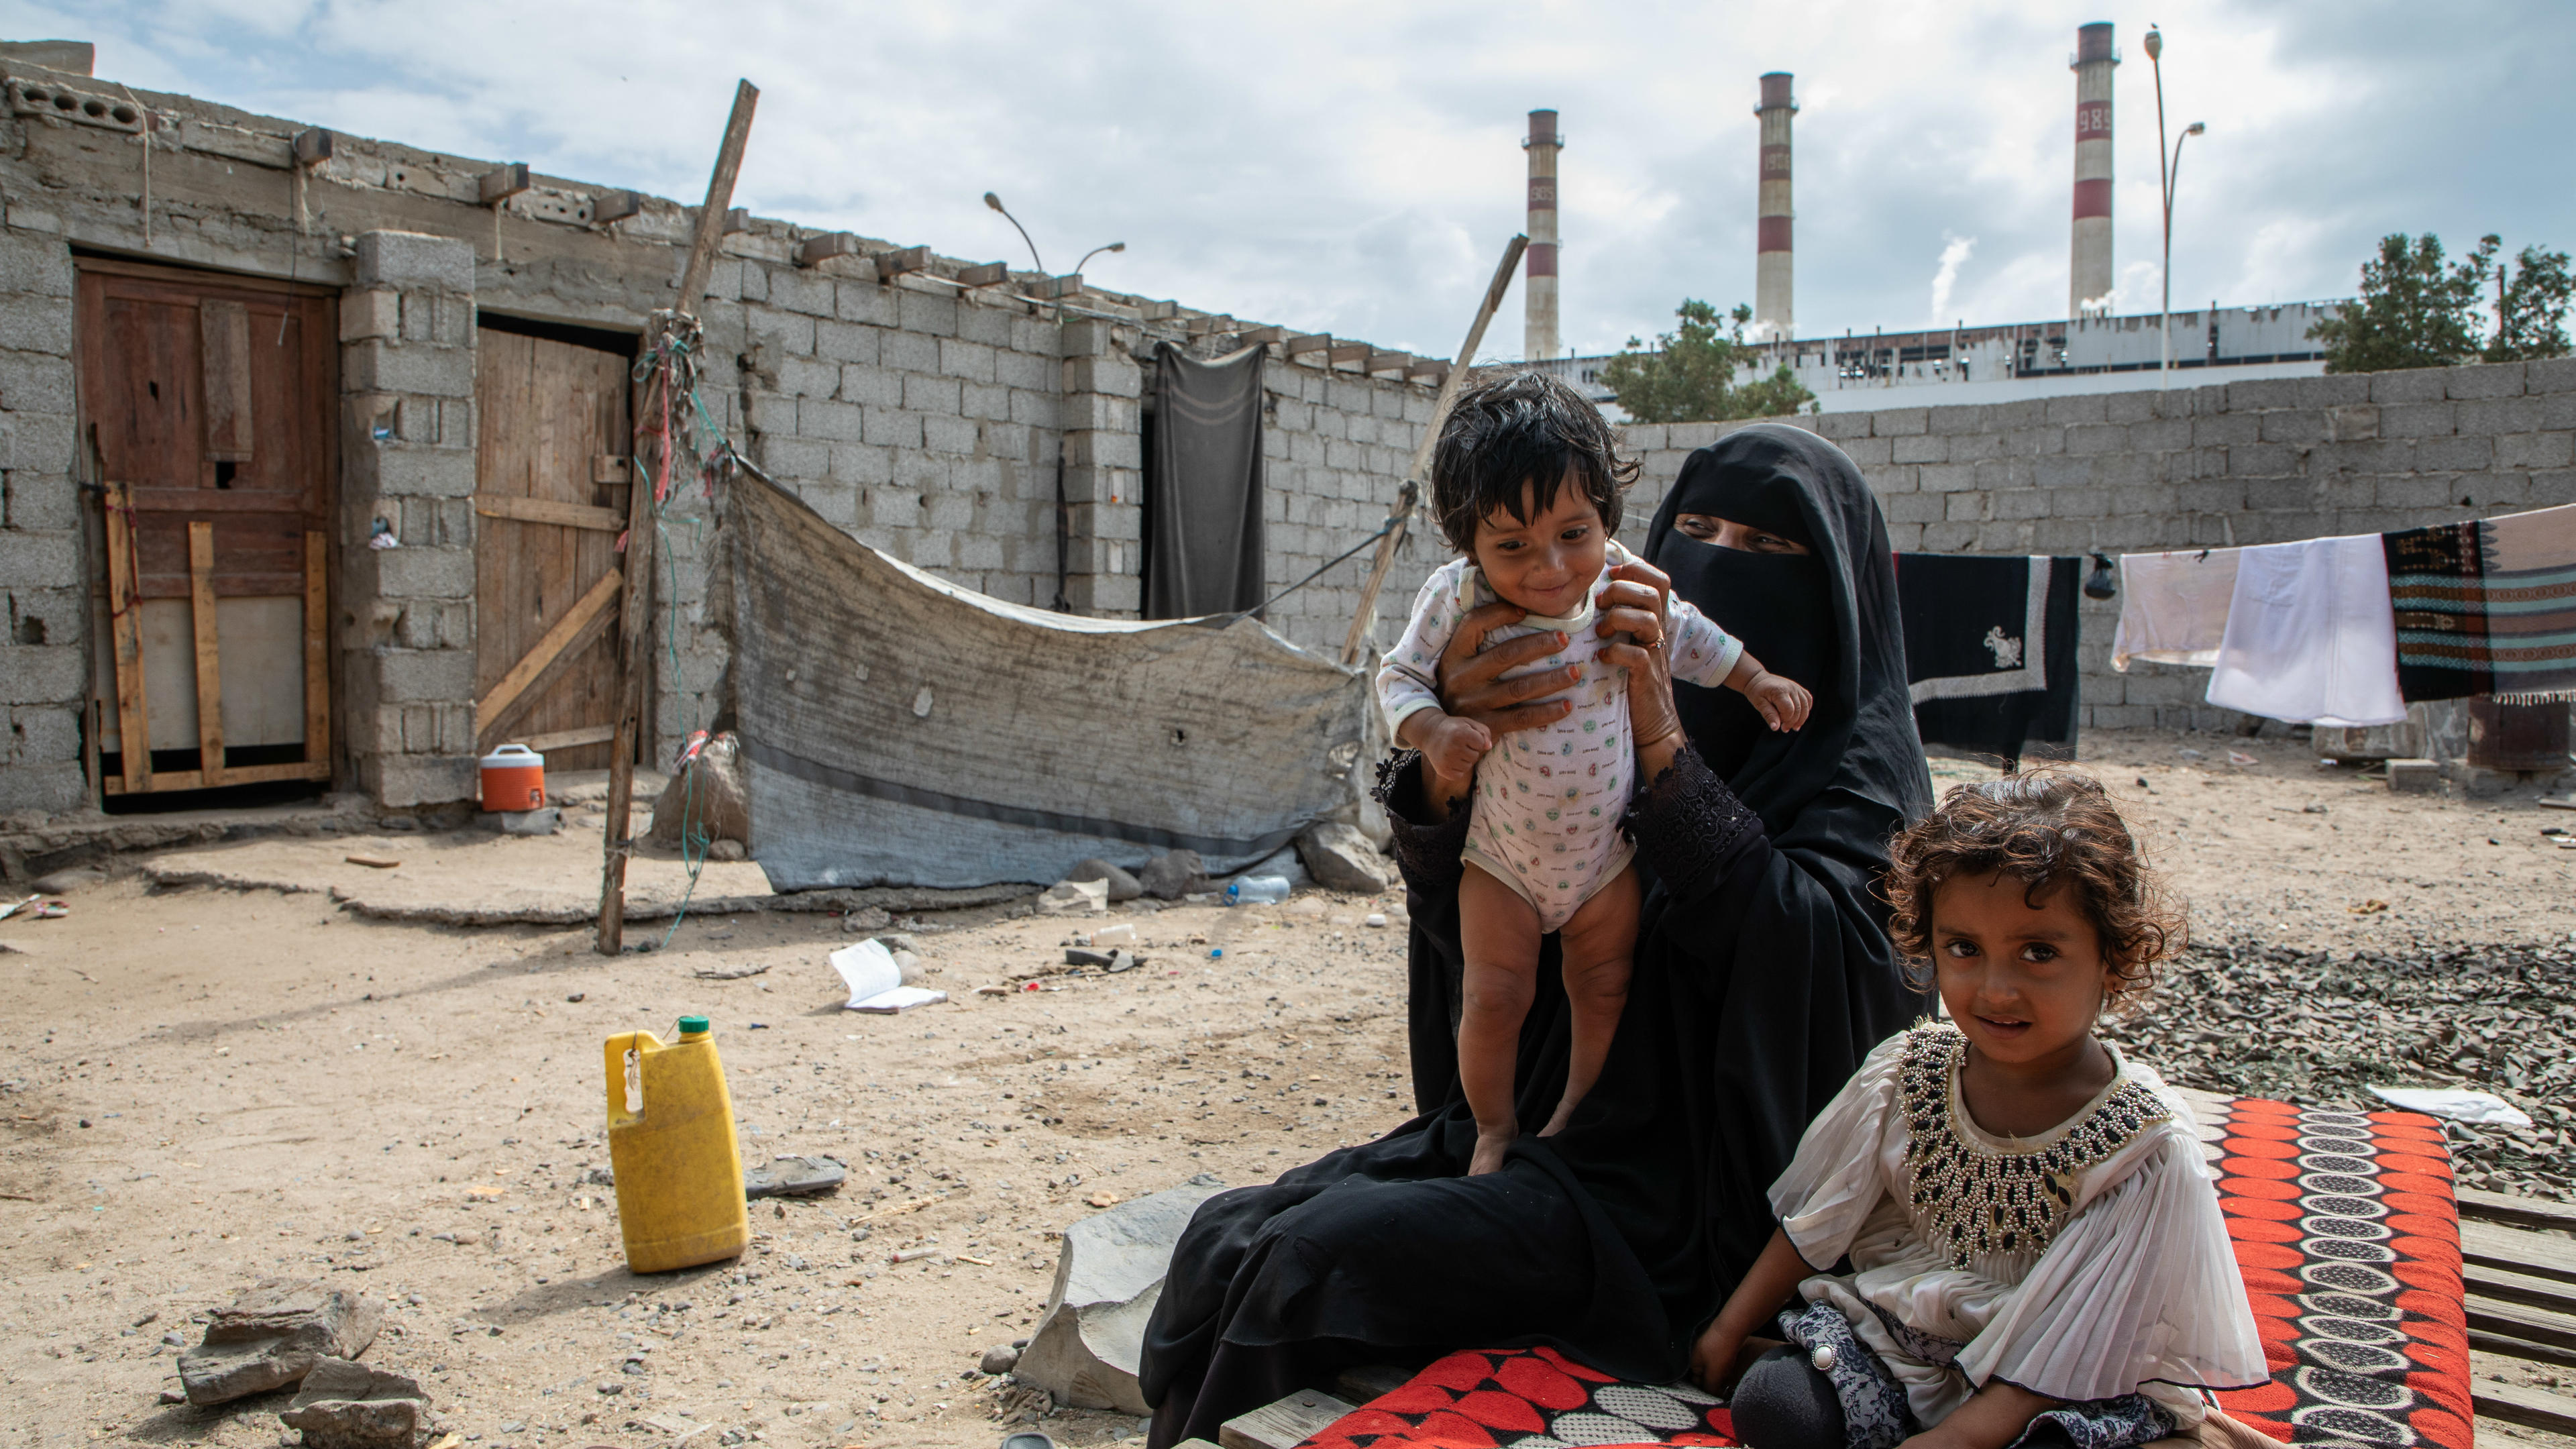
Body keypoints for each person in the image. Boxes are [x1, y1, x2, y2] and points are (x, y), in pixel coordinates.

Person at [1139, 421, 1933, 1449]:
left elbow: (1828, 990)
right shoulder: (1566, 682)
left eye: (1767, 549)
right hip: (1537, 1130)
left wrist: (1666, 749)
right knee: (1224, 1235)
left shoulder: (1859, 779)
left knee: (1314, 1262)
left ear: (1837, 586)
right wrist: (1447, 764)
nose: (1720, 560)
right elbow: (1469, 931)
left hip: (1687, 1207)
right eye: (1696, 529)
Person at [1703, 771, 2265, 1449]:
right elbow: (1816, 1225)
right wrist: (1729, 1328)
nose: (1997, 990)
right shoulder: (1907, 1076)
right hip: (1909, 1345)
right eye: (1964, 950)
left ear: (2114, 961)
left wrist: (1960, 1440)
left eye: (2039, 953)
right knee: (1775, 1406)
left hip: (2063, 1379)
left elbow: (2076, 1335)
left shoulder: (2142, 1149)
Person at [1380, 374, 1813, 1175]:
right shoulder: (1454, 598)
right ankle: (1493, 1128)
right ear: (1467, 542)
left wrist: (1756, 681)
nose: (1548, 568)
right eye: (1512, 546)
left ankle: (1577, 1111)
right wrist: (1436, 726)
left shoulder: (1623, 582)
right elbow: (1396, 679)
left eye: (1573, 534)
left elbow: (1698, 639)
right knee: (1493, 997)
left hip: (1606, 860)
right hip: (1502, 859)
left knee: (1604, 985)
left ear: (1607, 518)